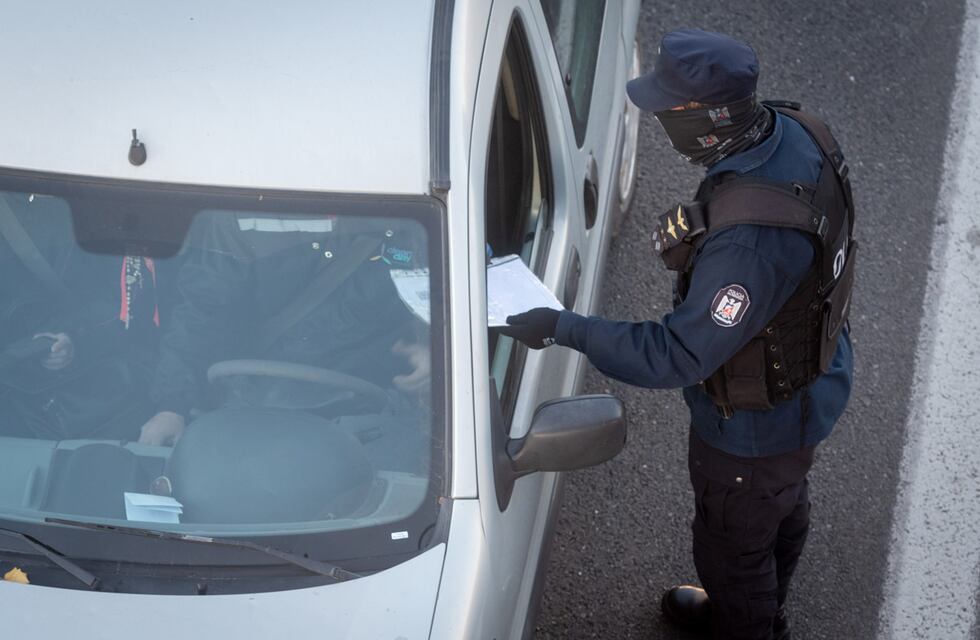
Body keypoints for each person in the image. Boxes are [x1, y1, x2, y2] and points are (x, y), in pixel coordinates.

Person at [499, 29, 855, 640]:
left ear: (706, 117)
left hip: (754, 427)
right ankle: (764, 609)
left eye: (669, 108)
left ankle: (749, 622)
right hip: (810, 377)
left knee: (733, 549)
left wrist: (563, 327)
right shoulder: (796, 130)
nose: (660, 117)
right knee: (780, 504)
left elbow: (677, 353)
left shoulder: (748, 242)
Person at [138, 210, 431, 446]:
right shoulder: (239, 215)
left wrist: (433, 348)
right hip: (247, 410)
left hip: (369, 419)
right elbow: (202, 311)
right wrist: (172, 407)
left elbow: (445, 292)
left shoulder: (409, 216)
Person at [0, 191, 160, 440]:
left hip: (70, 377)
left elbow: (125, 301)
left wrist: (75, 339)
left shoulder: (105, 199)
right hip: (17, 371)